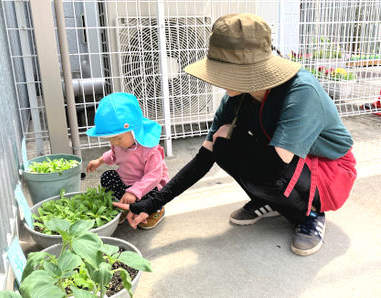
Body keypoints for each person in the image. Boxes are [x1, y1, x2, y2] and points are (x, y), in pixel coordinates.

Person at [113, 13, 357, 255]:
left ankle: (310, 215)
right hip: (288, 163)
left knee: (238, 143)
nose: (220, 81)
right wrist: (152, 203)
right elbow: (203, 158)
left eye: (228, 73)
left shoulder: (300, 92)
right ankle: (271, 201)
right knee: (222, 143)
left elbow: (275, 167)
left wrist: (232, 133)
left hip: (330, 171)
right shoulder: (238, 95)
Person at [86, 92, 169, 229]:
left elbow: (154, 176)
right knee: (107, 177)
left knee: (156, 193)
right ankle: (126, 206)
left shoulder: (150, 149)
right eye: (110, 138)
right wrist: (99, 161)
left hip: (148, 186)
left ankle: (155, 211)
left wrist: (134, 192)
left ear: (134, 130)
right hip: (127, 183)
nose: (114, 142)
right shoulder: (118, 144)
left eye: (117, 138)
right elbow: (113, 155)